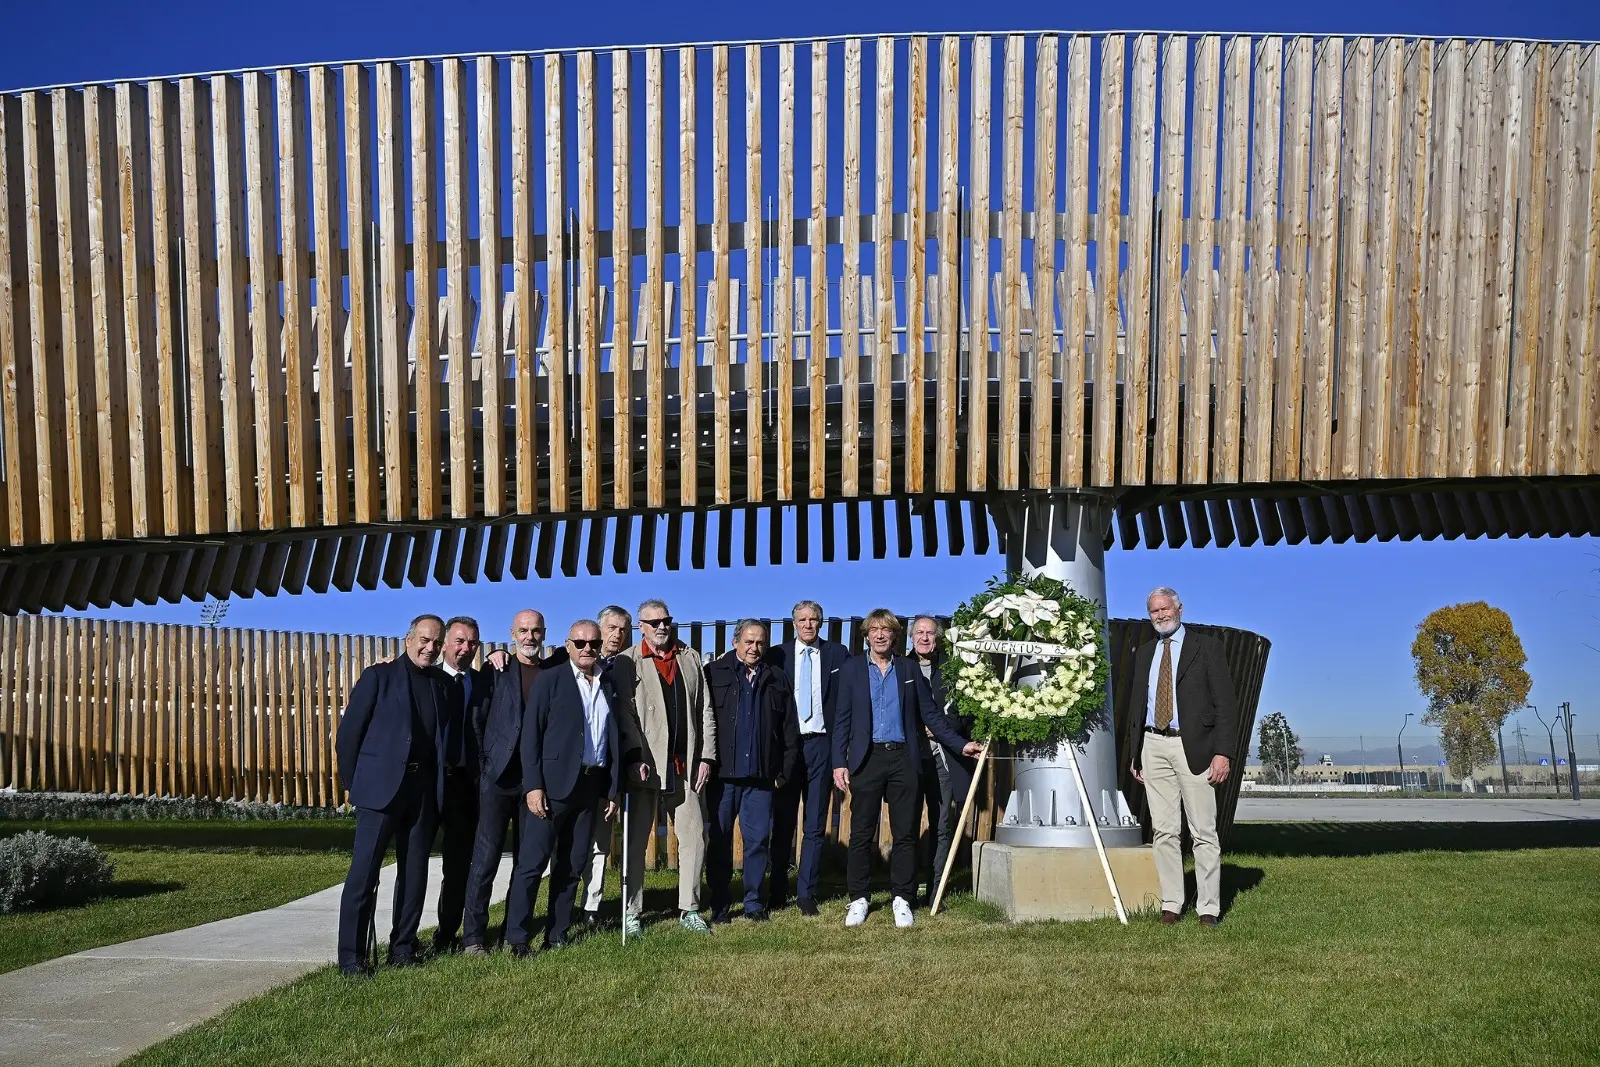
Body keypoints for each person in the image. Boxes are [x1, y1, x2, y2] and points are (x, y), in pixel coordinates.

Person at [833, 609, 981, 929]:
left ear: (895, 635)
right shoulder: (852, 669)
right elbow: (841, 720)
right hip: (866, 759)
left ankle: (903, 897)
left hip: (904, 759)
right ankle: (859, 898)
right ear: (866, 635)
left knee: (906, 834)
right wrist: (839, 763)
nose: (880, 635)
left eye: (886, 630)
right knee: (861, 833)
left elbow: (931, 714)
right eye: (874, 630)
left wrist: (960, 744)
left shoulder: (909, 668)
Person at [503, 621, 633, 955]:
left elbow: (612, 739)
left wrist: (612, 789)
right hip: (551, 788)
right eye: (581, 643)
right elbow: (531, 737)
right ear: (568, 644)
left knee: (573, 865)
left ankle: (557, 933)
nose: (588, 648)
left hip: (591, 787)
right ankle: (517, 937)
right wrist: (533, 786)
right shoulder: (551, 679)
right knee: (532, 864)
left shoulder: (607, 683)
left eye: (594, 643)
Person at [334, 614, 452, 975]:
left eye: (436, 642)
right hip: (379, 791)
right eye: (424, 639)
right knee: (363, 875)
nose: (429, 647)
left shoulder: (443, 685)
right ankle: (352, 959)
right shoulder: (378, 677)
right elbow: (348, 737)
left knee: (414, 873)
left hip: (422, 790)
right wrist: (355, 785)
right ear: (408, 639)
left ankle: (402, 948)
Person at [1124, 587, 1238, 927]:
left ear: (1180, 609)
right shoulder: (1145, 653)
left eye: (1165, 609)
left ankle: (1208, 910)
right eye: (1154, 611)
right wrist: (1135, 753)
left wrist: (1223, 752)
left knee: (1203, 831)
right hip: (1152, 745)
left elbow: (1226, 706)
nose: (1160, 615)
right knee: (1164, 831)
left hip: (1197, 747)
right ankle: (1171, 905)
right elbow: (1136, 704)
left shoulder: (1208, 649)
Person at [607, 598, 718, 936]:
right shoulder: (627, 663)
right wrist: (633, 757)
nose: (661, 627)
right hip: (646, 767)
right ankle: (632, 912)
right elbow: (624, 718)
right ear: (641, 627)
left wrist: (707, 757)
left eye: (666, 620)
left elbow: (706, 711)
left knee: (695, 838)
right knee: (636, 842)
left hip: (685, 766)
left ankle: (690, 908)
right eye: (653, 622)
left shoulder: (690, 657)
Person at [461, 609, 560, 955]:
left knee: (528, 862)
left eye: (535, 631)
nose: (530, 637)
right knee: (485, 859)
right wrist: (485, 764)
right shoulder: (496, 669)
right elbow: (477, 719)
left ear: (544, 634)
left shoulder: (555, 672)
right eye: (523, 630)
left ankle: (514, 935)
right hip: (498, 779)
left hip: (536, 783)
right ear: (512, 633)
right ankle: (473, 937)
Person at [703, 620, 798, 923]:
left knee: (757, 841)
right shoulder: (714, 674)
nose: (753, 648)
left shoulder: (776, 678)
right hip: (723, 776)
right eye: (748, 641)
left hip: (760, 777)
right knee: (719, 840)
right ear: (735, 642)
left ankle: (754, 903)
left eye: (759, 643)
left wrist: (783, 771)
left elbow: (789, 730)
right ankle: (719, 903)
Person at [765, 600, 848, 915]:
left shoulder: (837, 654)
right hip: (787, 747)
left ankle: (806, 894)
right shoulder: (777, 654)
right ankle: (776, 891)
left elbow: (844, 705)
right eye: (803, 619)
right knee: (783, 822)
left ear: (821, 623)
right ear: (793, 623)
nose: (808, 624)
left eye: (814, 619)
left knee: (815, 824)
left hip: (821, 746)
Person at [909, 614, 975, 905]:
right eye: (919, 633)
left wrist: (939, 728)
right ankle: (906, 889)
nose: (924, 638)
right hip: (910, 756)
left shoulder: (952, 670)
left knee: (942, 823)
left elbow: (964, 711)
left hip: (943, 756)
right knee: (906, 824)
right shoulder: (901, 667)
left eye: (930, 633)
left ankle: (936, 888)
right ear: (911, 637)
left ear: (938, 638)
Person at [432, 615, 487, 953]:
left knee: (459, 865)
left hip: (467, 786)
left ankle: (449, 934)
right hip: (432, 781)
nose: (465, 649)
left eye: (472, 643)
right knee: (415, 865)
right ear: (446, 644)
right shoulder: (429, 679)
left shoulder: (482, 683)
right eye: (459, 641)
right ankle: (403, 941)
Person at [577, 604, 634, 928]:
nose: (617, 634)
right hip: (573, 770)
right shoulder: (569, 662)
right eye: (611, 627)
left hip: (607, 771)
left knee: (601, 843)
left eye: (623, 629)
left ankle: (591, 908)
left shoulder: (628, 668)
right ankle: (563, 903)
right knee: (571, 844)